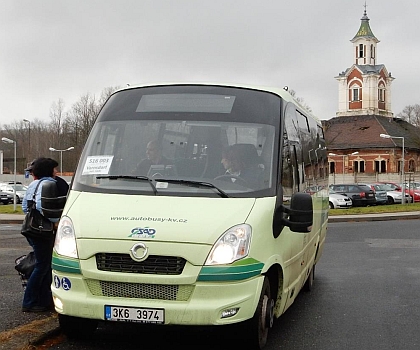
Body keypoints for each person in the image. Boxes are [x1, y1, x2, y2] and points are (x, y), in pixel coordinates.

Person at [21, 157, 59, 312]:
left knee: (42, 264)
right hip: (42, 231)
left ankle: (43, 300)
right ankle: (29, 302)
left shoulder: (33, 184)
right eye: (54, 169)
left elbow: (25, 207)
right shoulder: (49, 184)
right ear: (49, 170)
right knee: (42, 266)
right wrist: (55, 220)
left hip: (31, 229)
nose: (56, 171)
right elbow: (44, 207)